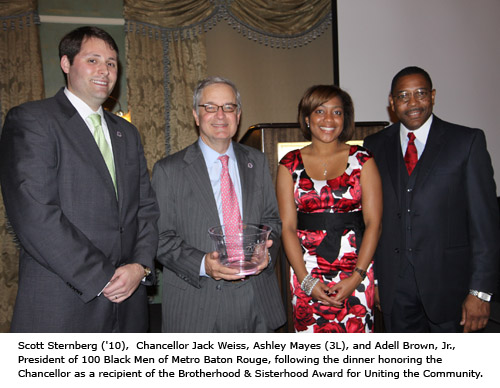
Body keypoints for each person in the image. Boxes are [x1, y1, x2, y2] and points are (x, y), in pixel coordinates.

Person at [0, 26, 159, 332]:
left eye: (111, 63)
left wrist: (140, 267)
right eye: (93, 60)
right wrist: (103, 278)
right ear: (65, 64)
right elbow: (35, 215)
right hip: (63, 305)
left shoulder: (127, 133)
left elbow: (147, 209)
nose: (105, 71)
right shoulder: (32, 120)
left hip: (130, 307)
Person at [364, 66, 500, 332]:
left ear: (433, 96)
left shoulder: (467, 141)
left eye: (420, 93)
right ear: (392, 102)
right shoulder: (373, 146)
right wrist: (376, 282)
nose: (412, 102)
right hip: (395, 290)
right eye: (403, 95)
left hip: (453, 291)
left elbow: (485, 225)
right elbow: (369, 220)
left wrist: (481, 292)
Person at [152, 76, 285, 332]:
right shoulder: (169, 170)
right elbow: (160, 237)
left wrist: (266, 250)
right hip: (197, 304)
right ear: (195, 114)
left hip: (257, 302)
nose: (220, 115)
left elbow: (272, 220)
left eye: (229, 107)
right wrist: (204, 264)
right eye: (210, 107)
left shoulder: (256, 162)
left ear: (239, 114)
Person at [276, 84, 382, 332]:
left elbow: (374, 224)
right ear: (307, 118)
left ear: (345, 119)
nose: (328, 119)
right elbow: (288, 227)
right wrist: (306, 281)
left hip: (357, 269)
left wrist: (357, 277)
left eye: (337, 112)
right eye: (320, 111)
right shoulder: (289, 164)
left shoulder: (363, 159)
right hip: (307, 272)